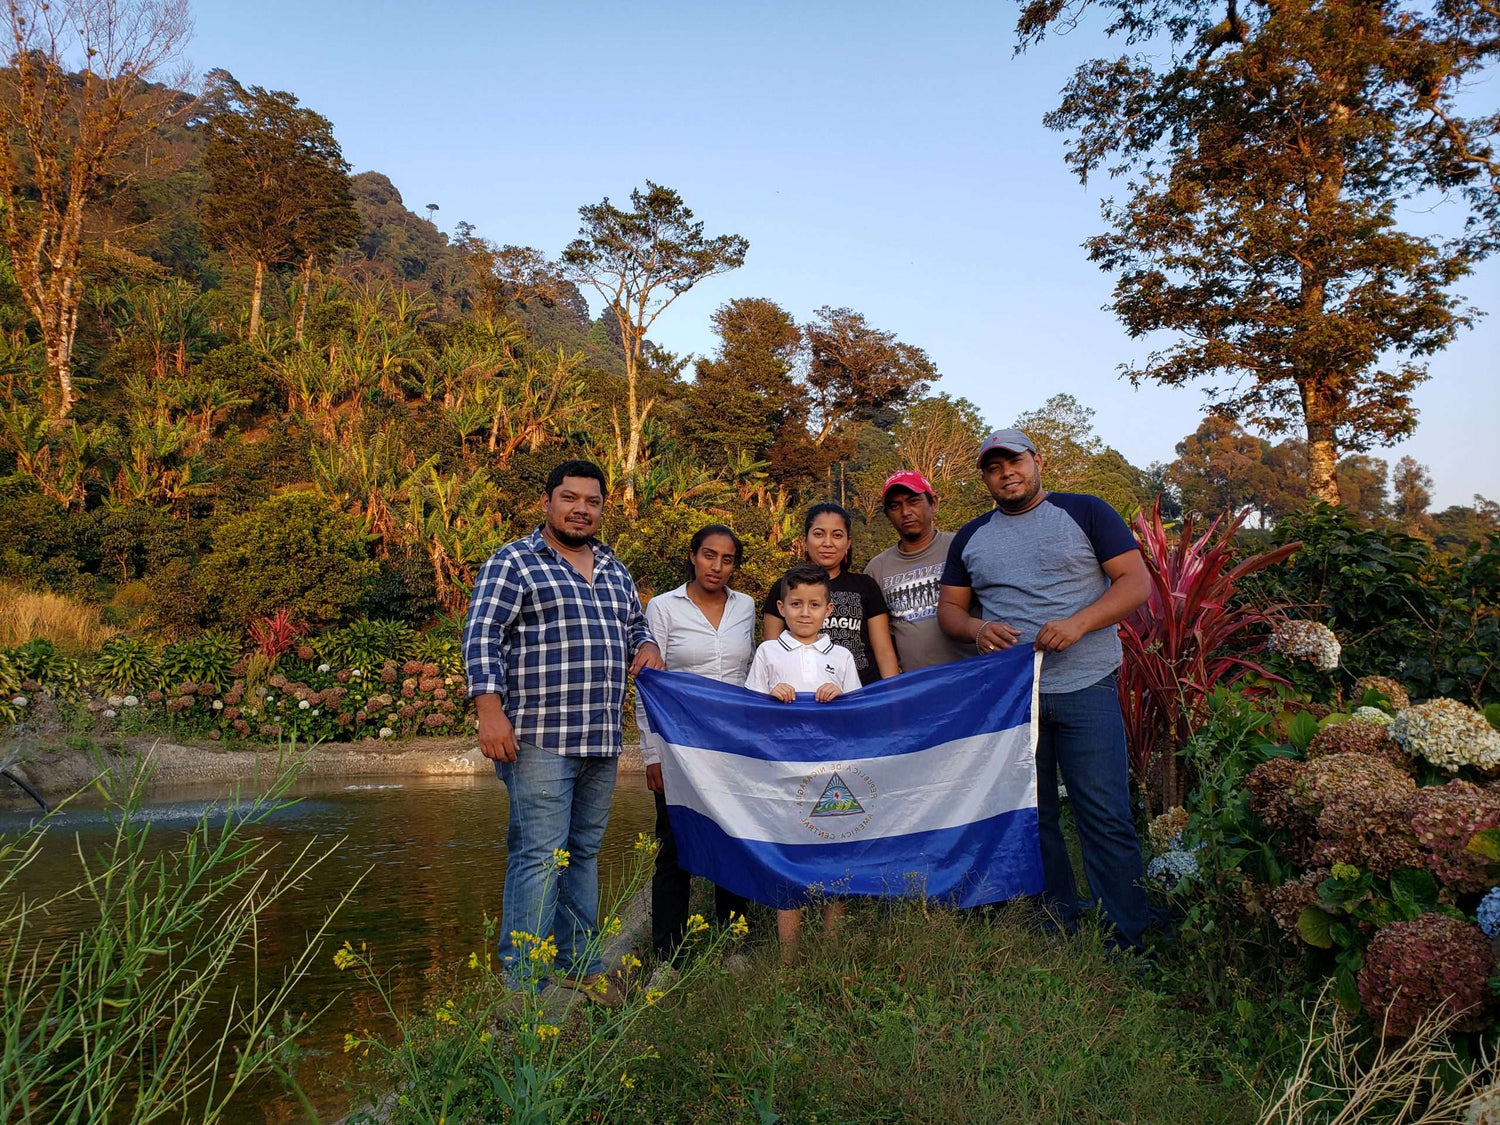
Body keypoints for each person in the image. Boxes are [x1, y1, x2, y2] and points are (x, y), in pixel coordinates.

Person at [936, 429, 1153, 948]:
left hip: (1086, 683)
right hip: (1014, 695)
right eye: (994, 467)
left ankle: (1127, 932)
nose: (1006, 473)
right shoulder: (972, 537)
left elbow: (1135, 583)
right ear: (985, 477)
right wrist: (976, 629)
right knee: (1036, 815)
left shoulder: (1086, 511)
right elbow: (950, 610)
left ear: (1036, 461)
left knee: (1103, 812)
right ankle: (1059, 921)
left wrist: (1079, 623)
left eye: (1015, 461)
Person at [462, 459, 664, 1005]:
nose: (581, 509)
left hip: (600, 737)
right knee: (537, 853)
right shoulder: (515, 562)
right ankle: (523, 981)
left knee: (583, 852)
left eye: (592, 501)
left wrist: (645, 644)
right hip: (537, 738)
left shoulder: (614, 568)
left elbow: (635, 624)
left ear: (602, 507)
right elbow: (483, 636)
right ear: (548, 503)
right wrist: (489, 711)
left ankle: (578, 962)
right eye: (569, 498)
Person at [636, 524, 755, 962]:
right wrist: (652, 754)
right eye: (709, 555)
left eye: (727, 560)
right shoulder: (664, 607)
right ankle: (668, 954)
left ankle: (733, 943)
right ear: (692, 555)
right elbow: (649, 683)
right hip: (680, 748)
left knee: (734, 837)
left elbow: (748, 676)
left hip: (733, 746)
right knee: (674, 845)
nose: (717, 566)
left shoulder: (746, 606)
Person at [745, 562, 861, 962]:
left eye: (814, 604)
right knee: (787, 856)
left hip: (832, 772)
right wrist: (770, 693)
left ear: (829, 609)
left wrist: (839, 693)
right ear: (782, 606)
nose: (805, 612)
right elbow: (750, 711)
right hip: (784, 773)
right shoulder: (768, 652)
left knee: (835, 855)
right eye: (796, 604)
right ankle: (787, 959)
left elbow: (859, 713)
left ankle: (831, 952)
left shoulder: (842, 656)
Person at [761, 502, 899, 686]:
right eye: (818, 534)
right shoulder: (785, 587)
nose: (827, 543)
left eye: (837, 535)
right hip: (799, 697)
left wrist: (894, 698)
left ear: (848, 543)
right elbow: (771, 652)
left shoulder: (865, 586)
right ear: (805, 540)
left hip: (861, 696)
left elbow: (884, 651)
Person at [864, 470, 974, 671]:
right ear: (888, 515)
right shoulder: (876, 568)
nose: (905, 512)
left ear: (933, 503)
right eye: (895, 506)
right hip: (916, 686)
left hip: (969, 678)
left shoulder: (962, 546)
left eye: (913, 501)